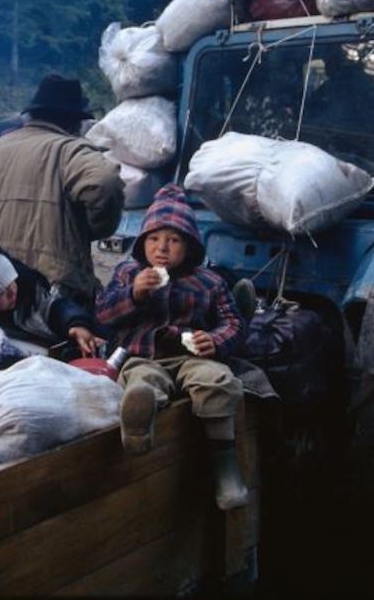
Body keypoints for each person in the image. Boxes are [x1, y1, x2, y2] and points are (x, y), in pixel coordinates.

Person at [95, 183, 250, 510]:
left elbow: (234, 323)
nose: (161, 248)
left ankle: (225, 467)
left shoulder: (209, 282)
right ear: (142, 243)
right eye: (153, 238)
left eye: (173, 240)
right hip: (143, 357)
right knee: (142, 383)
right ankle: (138, 436)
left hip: (190, 355)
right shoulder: (128, 274)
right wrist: (134, 294)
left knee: (218, 381)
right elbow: (104, 314)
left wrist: (216, 340)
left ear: (190, 246)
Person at [0, 74, 124, 310]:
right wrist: (94, 229)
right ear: (73, 121)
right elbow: (104, 182)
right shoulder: (69, 149)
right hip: (46, 287)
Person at [0, 235, 104, 358]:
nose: (13, 293)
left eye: (12, 282)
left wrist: (75, 324)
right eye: (1, 292)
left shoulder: (27, 287)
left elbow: (53, 305)